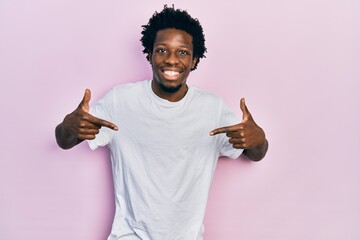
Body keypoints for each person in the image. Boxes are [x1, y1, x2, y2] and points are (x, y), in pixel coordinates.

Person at [55, 5, 268, 240]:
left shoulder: (212, 108)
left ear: (195, 59)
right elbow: (65, 141)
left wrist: (259, 140)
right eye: (162, 50)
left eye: (183, 52)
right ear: (149, 54)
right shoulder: (120, 101)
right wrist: (68, 127)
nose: (172, 60)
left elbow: (255, 153)